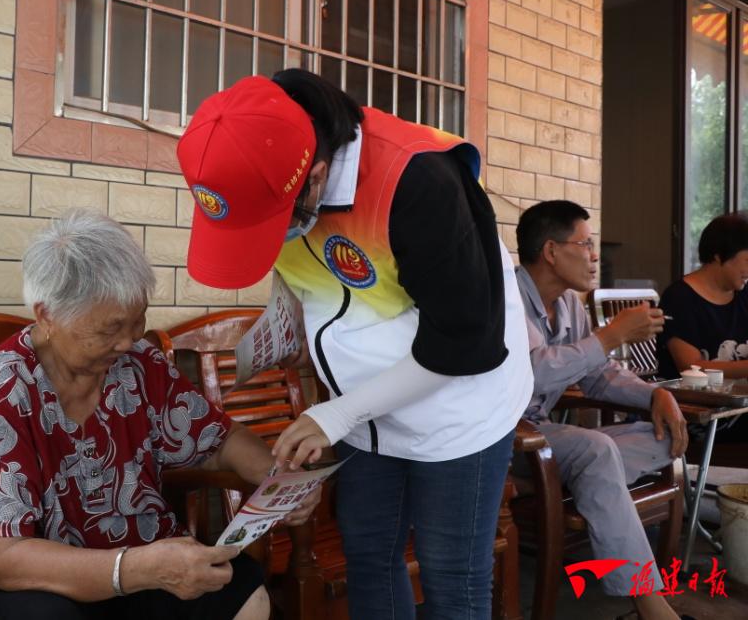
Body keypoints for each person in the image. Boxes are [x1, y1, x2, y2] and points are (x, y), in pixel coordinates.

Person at [175, 70, 534, 620]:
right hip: (362, 415)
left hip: (457, 410)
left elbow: (463, 339)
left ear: (317, 175)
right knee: (369, 558)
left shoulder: (417, 179)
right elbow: (308, 269)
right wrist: (296, 330)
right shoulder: (265, 161)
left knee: (451, 578)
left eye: (278, 220)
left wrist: (337, 414)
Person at [0, 209, 319, 620]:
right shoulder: (5, 383)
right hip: (38, 577)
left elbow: (219, 440)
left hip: (141, 554)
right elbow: (5, 558)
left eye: (137, 321)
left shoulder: (141, 363)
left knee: (240, 589)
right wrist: (139, 569)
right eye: (109, 329)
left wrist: (278, 479)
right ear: (47, 316)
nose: (127, 342)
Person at [514, 200, 689, 620]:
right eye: (586, 244)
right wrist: (609, 336)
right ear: (551, 250)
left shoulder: (569, 304)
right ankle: (650, 604)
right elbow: (530, 375)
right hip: (507, 439)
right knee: (595, 449)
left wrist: (654, 396)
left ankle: (588, 484)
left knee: (664, 437)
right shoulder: (507, 298)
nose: (595, 256)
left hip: (550, 440)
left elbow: (597, 375)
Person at [658, 212, 748, 380]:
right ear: (719, 256)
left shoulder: (744, 294)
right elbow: (691, 367)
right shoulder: (679, 299)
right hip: (691, 395)